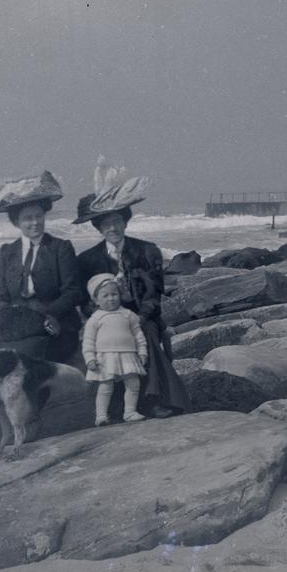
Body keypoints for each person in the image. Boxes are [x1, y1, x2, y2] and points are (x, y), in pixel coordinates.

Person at [74, 176, 189, 418]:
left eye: (116, 221)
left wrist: (137, 317)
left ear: (125, 222)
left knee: (144, 330)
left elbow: (154, 294)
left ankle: (154, 399)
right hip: (105, 316)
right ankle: (112, 405)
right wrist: (98, 316)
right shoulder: (87, 260)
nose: (112, 229)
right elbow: (83, 300)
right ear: (98, 228)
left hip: (143, 315)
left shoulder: (147, 251)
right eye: (106, 224)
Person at [0, 170, 82, 366]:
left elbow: (73, 291)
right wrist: (4, 321)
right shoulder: (7, 252)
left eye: (39, 216)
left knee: (28, 355)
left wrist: (51, 315)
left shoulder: (60, 248)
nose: (35, 222)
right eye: (28, 218)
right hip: (17, 325)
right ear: (16, 222)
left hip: (55, 322)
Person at [82, 273, 149, 426]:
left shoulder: (128, 315)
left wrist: (142, 351)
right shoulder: (95, 319)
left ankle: (130, 412)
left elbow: (138, 335)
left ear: (120, 295)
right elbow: (88, 341)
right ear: (96, 300)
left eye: (114, 294)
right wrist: (90, 358)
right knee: (105, 386)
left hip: (128, 355)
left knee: (133, 383)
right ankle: (101, 415)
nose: (111, 298)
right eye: (105, 296)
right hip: (106, 357)